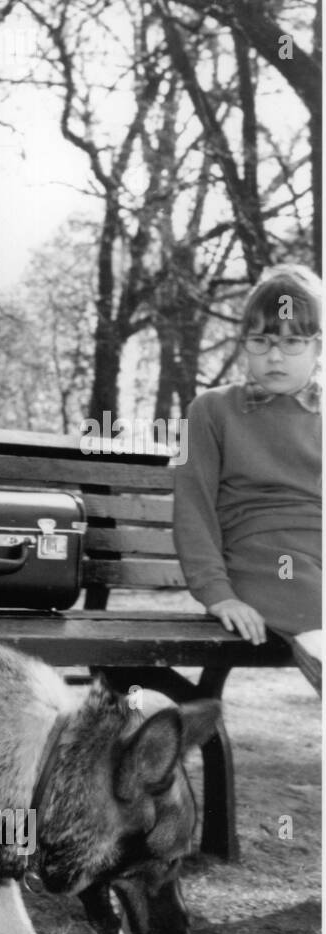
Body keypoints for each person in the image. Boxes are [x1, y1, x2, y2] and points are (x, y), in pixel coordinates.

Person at [173, 264, 322, 695]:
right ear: (245, 345)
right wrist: (219, 594)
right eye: (261, 341)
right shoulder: (212, 410)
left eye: (292, 342)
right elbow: (193, 507)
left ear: (318, 347)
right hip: (262, 563)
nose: (274, 356)